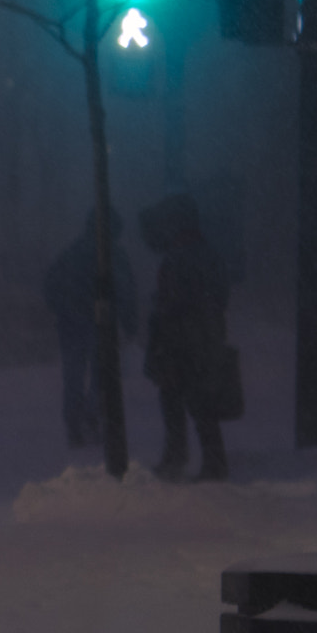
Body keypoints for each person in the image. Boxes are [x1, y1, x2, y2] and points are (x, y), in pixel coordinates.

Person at [139, 193, 231, 481]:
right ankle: (204, 459)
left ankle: (188, 458)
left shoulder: (181, 257)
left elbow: (174, 301)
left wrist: (168, 320)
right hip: (200, 339)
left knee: (183, 400)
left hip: (183, 341)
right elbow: (216, 297)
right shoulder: (206, 253)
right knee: (195, 401)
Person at [42, 209, 138, 448]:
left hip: (71, 324)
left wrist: (62, 308)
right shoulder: (114, 255)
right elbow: (126, 290)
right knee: (100, 375)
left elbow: (51, 284)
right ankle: (92, 417)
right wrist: (129, 321)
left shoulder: (72, 253)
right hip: (100, 324)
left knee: (73, 376)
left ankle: (74, 424)